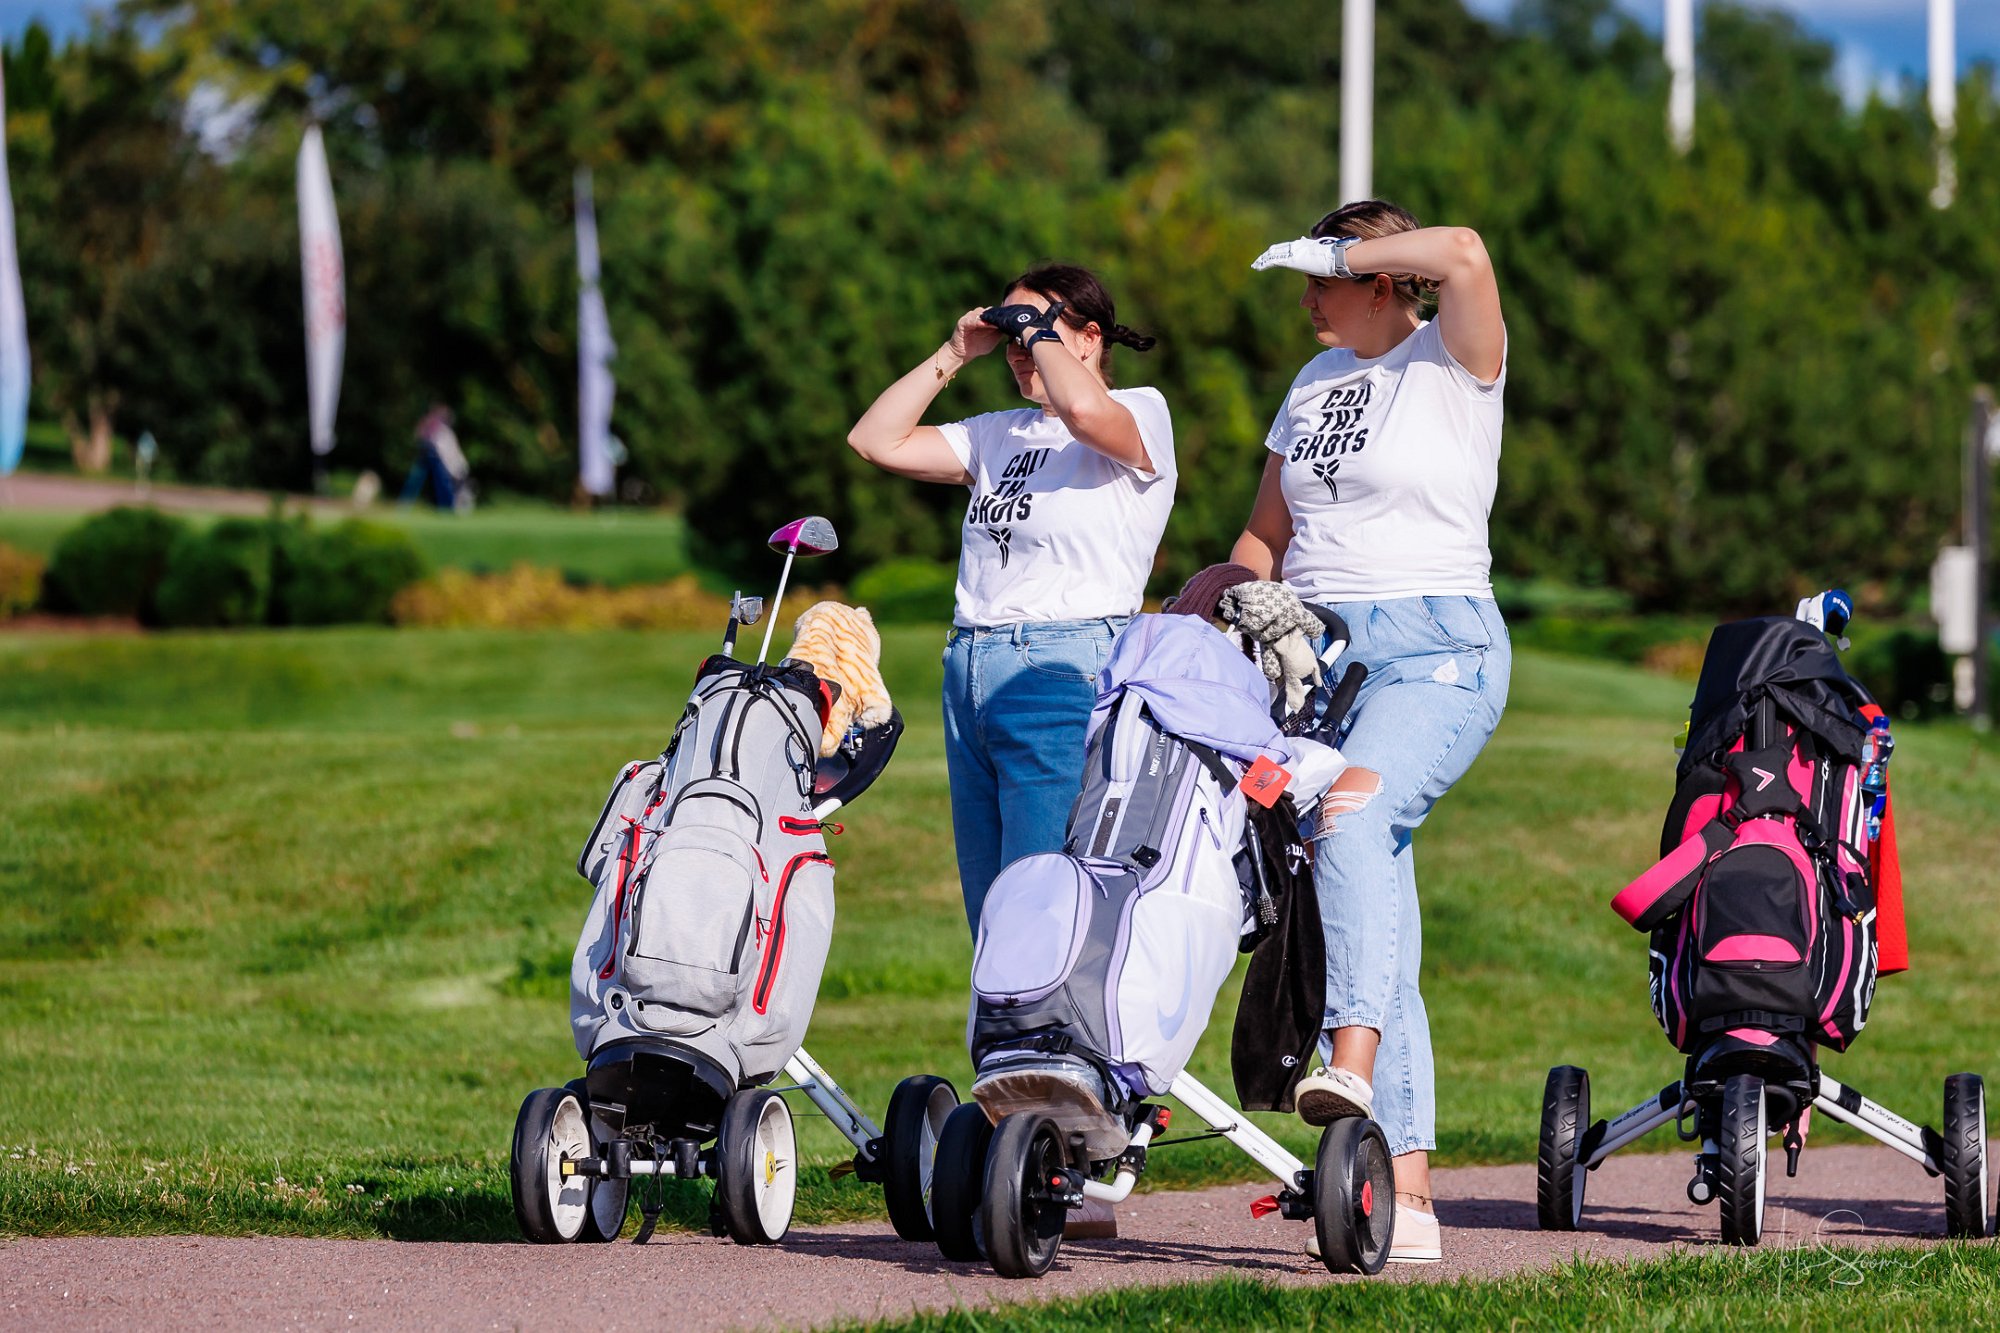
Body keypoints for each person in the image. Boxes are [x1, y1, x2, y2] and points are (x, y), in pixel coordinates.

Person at [1230, 201, 1512, 1264]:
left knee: (1349, 821)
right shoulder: (1308, 387)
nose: (1306, 298)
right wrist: (1205, 620)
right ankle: (1408, 1203)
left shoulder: (1454, 357)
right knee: (1364, 897)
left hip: (1435, 648)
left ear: (1382, 279)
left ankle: (1346, 1059)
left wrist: (1344, 246)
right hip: (1317, 658)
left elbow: (1465, 253)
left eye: (1325, 278)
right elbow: (1264, 536)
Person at [847, 264, 1175, 932]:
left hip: (1061, 668)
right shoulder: (999, 433)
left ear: (1087, 339)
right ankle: (1003, 1036)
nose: (1021, 349)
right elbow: (873, 440)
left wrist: (1033, 330)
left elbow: (1085, 410)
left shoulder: (1140, 411)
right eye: (1013, 334)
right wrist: (955, 352)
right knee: (993, 908)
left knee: (1040, 904)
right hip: (970, 667)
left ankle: (1047, 1035)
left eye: (1040, 330)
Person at [400, 404, 471, 511]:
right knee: (419, 481)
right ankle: (405, 505)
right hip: (428, 455)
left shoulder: (442, 429)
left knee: (442, 484)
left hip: (436, 457)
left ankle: (447, 507)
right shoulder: (431, 424)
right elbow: (419, 436)